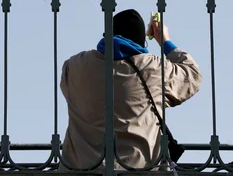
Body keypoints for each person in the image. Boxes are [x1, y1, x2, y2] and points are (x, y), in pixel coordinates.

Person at [59, 9, 202, 170]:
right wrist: (164, 41)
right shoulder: (154, 70)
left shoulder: (74, 67)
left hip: (82, 169)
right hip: (139, 169)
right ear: (141, 41)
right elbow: (192, 75)